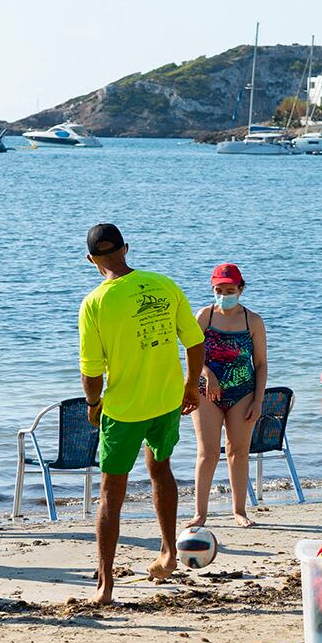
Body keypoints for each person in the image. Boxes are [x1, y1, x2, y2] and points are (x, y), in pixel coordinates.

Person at [77, 223, 205, 605]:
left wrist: (93, 404)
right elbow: (195, 341)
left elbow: (91, 371)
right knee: (161, 470)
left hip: (124, 409)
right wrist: (190, 385)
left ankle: (105, 585)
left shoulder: (95, 303)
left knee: (110, 494)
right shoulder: (164, 284)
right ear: (126, 248)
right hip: (166, 402)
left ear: (90, 260)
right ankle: (167, 552)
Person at [190, 263, 267, 528]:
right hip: (206, 393)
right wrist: (208, 374)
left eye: (230, 290)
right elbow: (192, 355)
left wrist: (258, 400)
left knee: (238, 452)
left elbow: (261, 364)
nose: (224, 295)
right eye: (219, 290)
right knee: (207, 453)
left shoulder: (252, 320)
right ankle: (200, 513)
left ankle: (239, 511)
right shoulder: (205, 316)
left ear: (240, 289)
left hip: (243, 392)